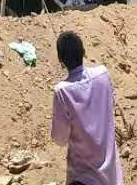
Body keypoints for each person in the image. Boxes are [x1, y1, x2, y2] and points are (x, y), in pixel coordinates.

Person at [50, 31, 123, 185]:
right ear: (83, 51)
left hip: (83, 179)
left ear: (60, 59)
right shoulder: (103, 74)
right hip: (111, 177)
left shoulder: (62, 91)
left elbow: (60, 139)